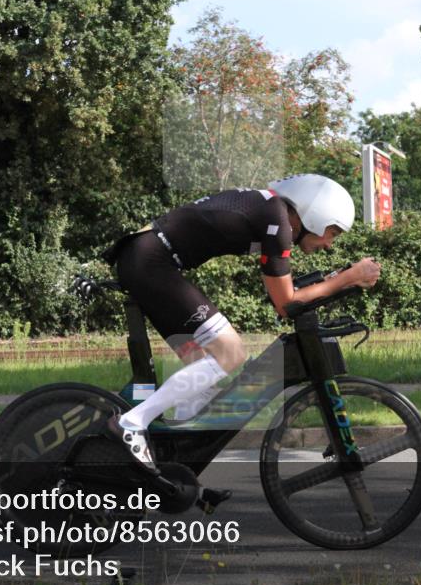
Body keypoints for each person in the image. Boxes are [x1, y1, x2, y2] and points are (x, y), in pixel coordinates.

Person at [102, 173, 382, 472]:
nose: (329, 244)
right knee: (230, 353)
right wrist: (346, 278)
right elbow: (286, 304)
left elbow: (282, 292)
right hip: (152, 264)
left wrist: (334, 282)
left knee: (204, 381)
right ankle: (131, 424)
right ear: (315, 214)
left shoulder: (271, 213)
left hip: (146, 259)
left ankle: (175, 470)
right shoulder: (278, 223)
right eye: (333, 232)